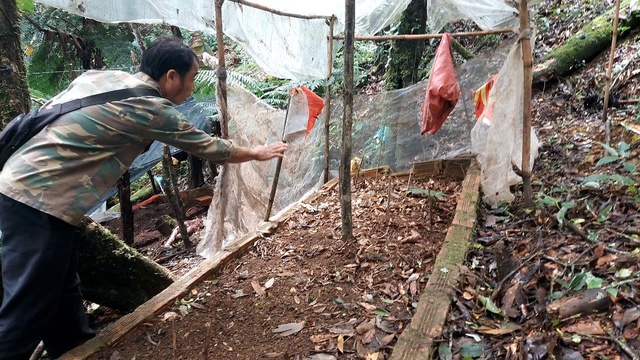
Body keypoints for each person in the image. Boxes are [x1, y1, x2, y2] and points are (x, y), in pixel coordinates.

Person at [0, 37, 287, 360]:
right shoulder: (151, 108)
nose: (192, 88)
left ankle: (75, 349)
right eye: (191, 78)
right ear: (171, 77)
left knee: (62, 287)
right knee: (27, 306)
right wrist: (258, 152)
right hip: (36, 199)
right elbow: (208, 147)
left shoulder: (102, 78)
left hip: (30, 192)